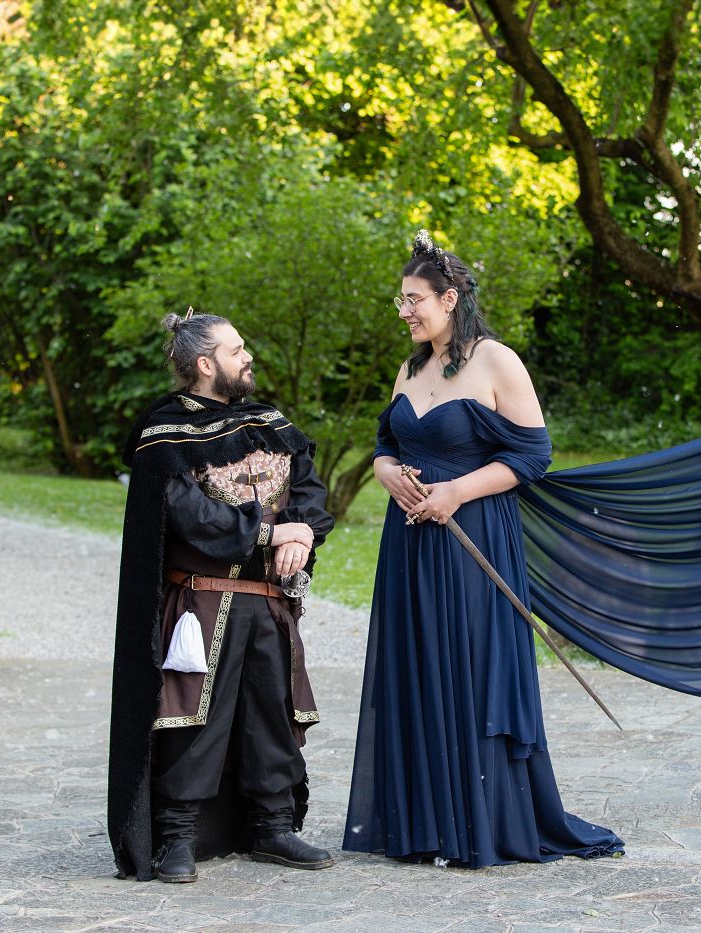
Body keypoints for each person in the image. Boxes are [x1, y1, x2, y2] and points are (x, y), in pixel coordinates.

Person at [342, 231, 624, 867]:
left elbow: (533, 455)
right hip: (410, 543)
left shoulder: (497, 361)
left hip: (475, 541)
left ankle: (479, 822)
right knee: (416, 665)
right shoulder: (409, 369)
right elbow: (387, 443)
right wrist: (387, 472)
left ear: (449, 299)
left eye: (413, 299)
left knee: (469, 667)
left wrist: (457, 492)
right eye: (400, 300)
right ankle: (424, 825)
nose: (404, 311)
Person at [108, 311, 336, 882]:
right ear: (206, 364)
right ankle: (178, 838)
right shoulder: (165, 434)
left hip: (269, 600)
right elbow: (191, 516)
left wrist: (302, 534)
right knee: (192, 718)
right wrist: (271, 534)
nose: (248, 356)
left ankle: (273, 827)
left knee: (272, 714)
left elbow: (308, 489)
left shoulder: (269, 422)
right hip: (201, 603)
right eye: (237, 350)